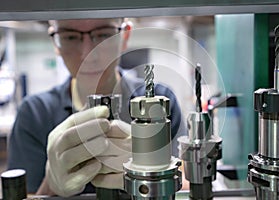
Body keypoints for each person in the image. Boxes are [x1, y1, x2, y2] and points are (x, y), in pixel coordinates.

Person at [7, 18, 185, 197]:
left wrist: (152, 174)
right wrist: (52, 184)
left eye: (103, 35)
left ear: (125, 36)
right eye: (70, 37)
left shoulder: (161, 103)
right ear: (55, 42)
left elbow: (184, 185)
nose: (88, 54)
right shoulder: (34, 113)